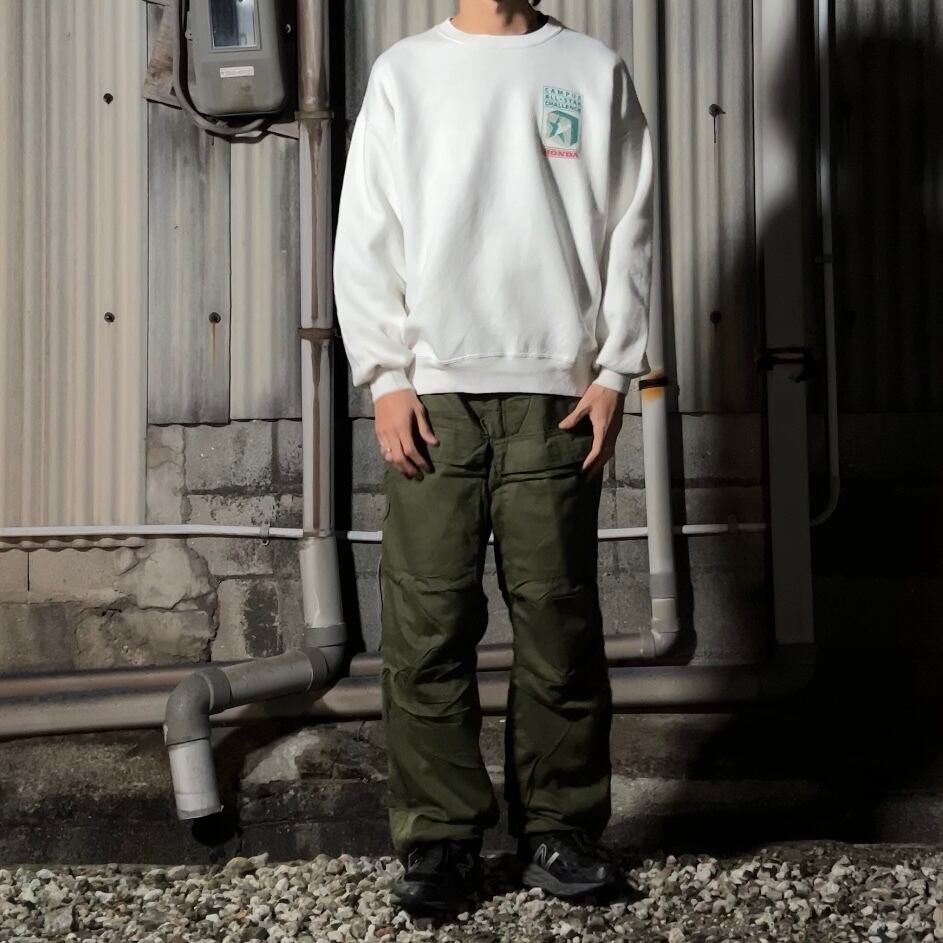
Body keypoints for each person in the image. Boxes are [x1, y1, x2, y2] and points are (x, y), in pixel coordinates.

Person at [332, 0, 654, 916]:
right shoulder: (406, 73)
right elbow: (366, 230)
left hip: (557, 392)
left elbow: (630, 227)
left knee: (558, 624)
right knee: (427, 626)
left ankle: (559, 830)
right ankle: (440, 841)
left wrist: (615, 371)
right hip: (432, 393)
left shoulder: (591, 70)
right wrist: (384, 375)